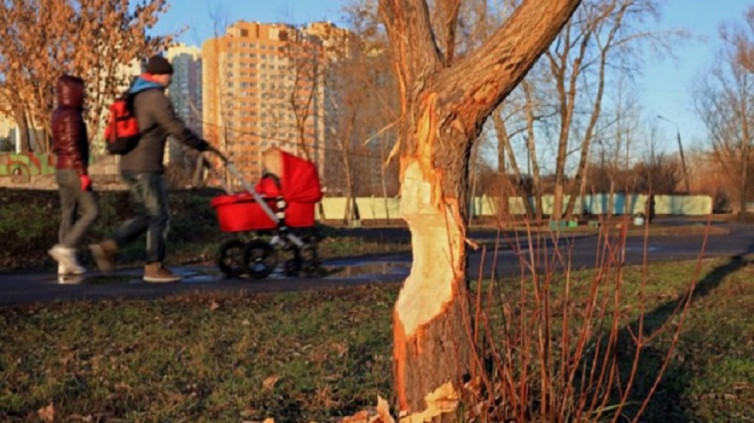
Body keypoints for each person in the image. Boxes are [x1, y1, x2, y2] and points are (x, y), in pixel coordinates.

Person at [89, 55, 221, 283]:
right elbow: (174, 127)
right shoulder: (155, 97)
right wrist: (199, 144)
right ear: (160, 75)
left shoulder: (136, 95)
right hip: (146, 167)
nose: (170, 79)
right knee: (159, 216)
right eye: (169, 75)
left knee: (147, 215)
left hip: (129, 166)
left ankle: (110, 246)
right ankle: (154, 267)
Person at [48, 74, 99, 276]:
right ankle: (65, 249)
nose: (84, 96)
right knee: (92, 211)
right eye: (82, 92)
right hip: (72, 169)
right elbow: (72, 146)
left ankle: (65, 264)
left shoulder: (58, 113)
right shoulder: (71, 115)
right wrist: (82, 172)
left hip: (61, 169)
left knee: (68, 214)